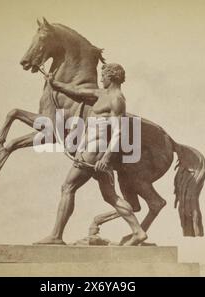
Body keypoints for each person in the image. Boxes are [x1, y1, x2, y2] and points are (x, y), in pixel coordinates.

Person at [35, 63, 147, 246]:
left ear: (112, 77)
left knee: (67, 188)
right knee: (110, 196)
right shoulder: (102, 94)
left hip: (95, 152)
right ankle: (138, 231)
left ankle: (56, 236)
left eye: (104, 75)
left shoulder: (117, 99)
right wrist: (54, 83)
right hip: (92, 150)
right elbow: (77, 91)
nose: (101, 78)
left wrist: (106, 158)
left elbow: (119, 132)